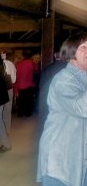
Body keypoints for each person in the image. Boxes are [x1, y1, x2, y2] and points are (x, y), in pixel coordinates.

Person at [37, 31, 87, 186]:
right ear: (71, 52)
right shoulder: (63, 80)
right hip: (61, 159)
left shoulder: (83, 76)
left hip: (80, 154)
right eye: (83, 47)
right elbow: (82, 108)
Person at [38, 52, 66, 139]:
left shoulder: (47, 69)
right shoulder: (69, 69)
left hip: (47, 99)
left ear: (54, 56)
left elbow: (40, 86)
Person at [14, 50, 35, 117]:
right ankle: (27, 113)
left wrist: (16, 88)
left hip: (20, 85)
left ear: (23, 55)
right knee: (28, 100)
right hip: (29, 84)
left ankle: (20, 113)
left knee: (20, 101)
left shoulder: (19, 64)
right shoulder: (31, 63)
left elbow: (16, 75)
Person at [1, 52, 16, 134]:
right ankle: (7, 130)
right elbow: (14, 79)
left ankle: (0, 129)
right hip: (9, 89)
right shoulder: (11, 64)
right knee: (7, 110)